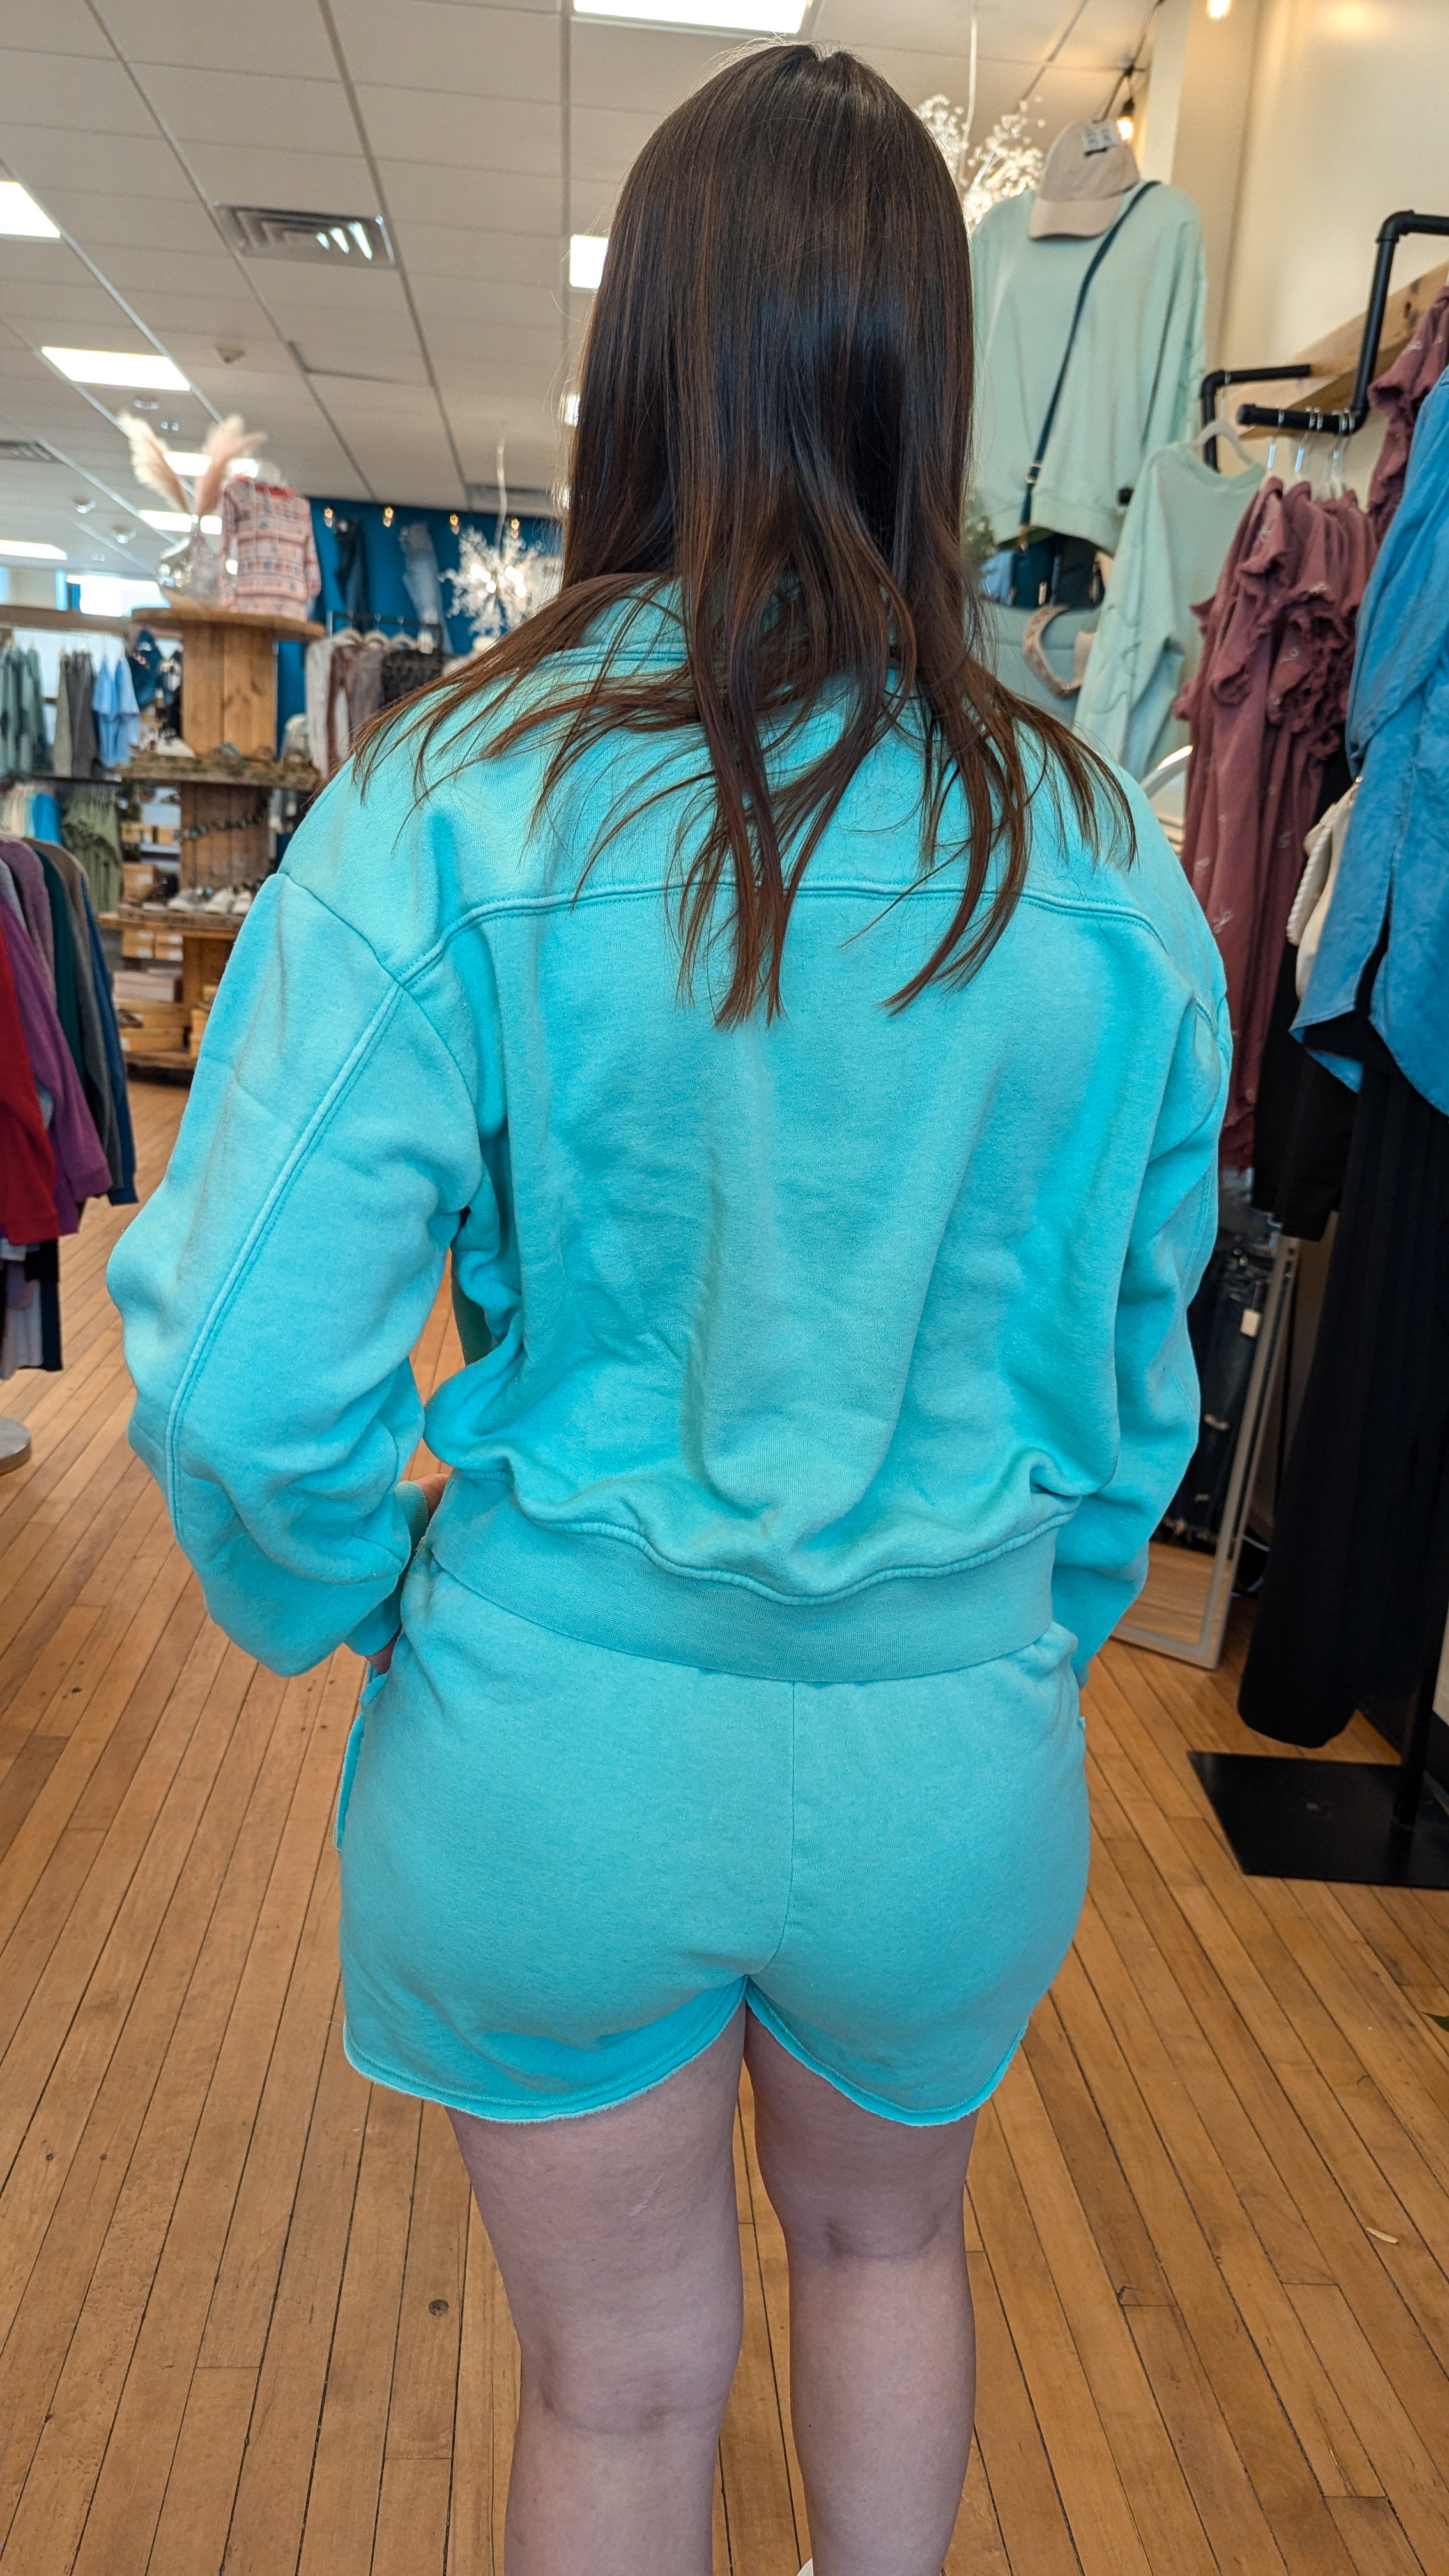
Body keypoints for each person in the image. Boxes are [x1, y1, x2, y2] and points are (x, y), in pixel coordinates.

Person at [110, 42, 1227, 2576]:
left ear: (640, 368)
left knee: (614, 2397)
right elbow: (1132, 1376)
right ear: (936, 376)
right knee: (893, 2257)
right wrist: (1017, 1632)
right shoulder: (1099, 856)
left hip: (552, 1754)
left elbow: (241, 1375)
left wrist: (366, 1596)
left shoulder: (453, 797)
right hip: (941, 1765)